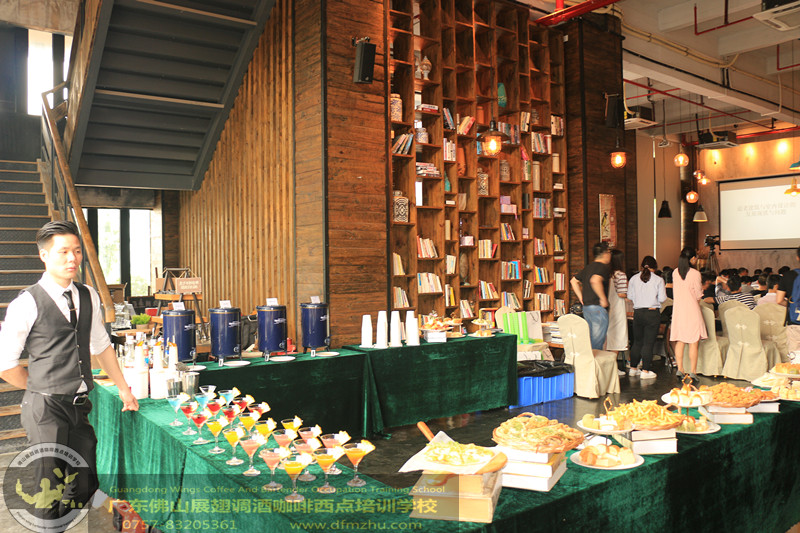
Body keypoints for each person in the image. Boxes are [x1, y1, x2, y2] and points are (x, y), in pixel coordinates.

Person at [0, 221, 139, 526]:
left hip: (79, 407)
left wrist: (124, 389)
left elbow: (102, 346)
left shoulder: (88, 295)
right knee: (49, 490)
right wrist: (39, 389)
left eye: (76, 251)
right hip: (46, 409)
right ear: (44, 255)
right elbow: (6, 365)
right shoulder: (26, 303)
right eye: (63, 251)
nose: (72, 258)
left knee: (86, 482)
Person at [670, 247, 707, 382]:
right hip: (692, 309)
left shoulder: (675, 272)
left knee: (680, 340)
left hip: (678, 310)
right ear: (692, 259)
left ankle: (680, 369)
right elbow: (698, 294)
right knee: (693, 342)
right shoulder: (695, 273)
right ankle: (693, 371)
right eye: (695, 257)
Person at [627, 256, 666, 379]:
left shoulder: (633, 279)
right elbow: (662, 299)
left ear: (641, 266)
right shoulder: (658, 280)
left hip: (638, 313)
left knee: (637, 342)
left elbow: (630, 296)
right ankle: (645, 371)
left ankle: (633, 369)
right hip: (652, 313)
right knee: (648, 343)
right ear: (655, 267)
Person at [570, 242, 611, 350]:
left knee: (590, 339)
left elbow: (573, 281)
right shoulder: (603, 267)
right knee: (597, 343)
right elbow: (595, 280)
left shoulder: (588, 267)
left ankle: (589, 360)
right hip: (597, 308)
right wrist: (603, 299)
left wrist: (581, 297)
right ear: (605, 253)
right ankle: (593, 361)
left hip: (587, 308)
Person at [604, 249, 629, 376]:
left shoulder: (606, 274)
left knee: (607, 337)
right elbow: (621, 293)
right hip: (617, 309)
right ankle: (612, 367)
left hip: (605, 308)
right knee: (617, 337)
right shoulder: (621, 275)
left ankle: (605, 367)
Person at [776, 247, 800, 351]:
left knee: (795, 354)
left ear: (797, 257)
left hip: (795, 320)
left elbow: (779, 300)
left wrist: (792, 304)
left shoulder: (788, 275)